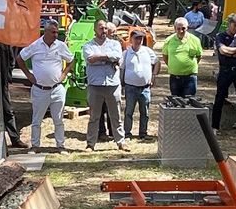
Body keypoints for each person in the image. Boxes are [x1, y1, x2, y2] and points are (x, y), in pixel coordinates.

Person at [18, 21, 73, 152]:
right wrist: (28, 75)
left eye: (57, 32)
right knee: (36, 120)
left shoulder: (60, 46)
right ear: (46, 32)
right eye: (53, 32)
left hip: (57, 88)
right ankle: (35, 145)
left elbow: (71, 60)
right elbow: (19, 58)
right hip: (39, 89)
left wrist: (64, 74)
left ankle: (60, 145)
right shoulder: (36, 45)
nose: (56, 35)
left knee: (58, 119)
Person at [82, 21, 126, 153]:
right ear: (95, 29)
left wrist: (100, 58)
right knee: (94, 116)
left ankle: (121, 142)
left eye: (106, 28)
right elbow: (90, 59)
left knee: (116, 115)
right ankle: (90, 144)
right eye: (101, 28)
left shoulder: (115, 44)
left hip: (112, 84)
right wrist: (109, 59)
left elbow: (117, 56)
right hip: (95, 85)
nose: (104, 30)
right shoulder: (88, 45)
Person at [120, 29, 158, 140]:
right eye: (136, 38)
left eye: (141, 38)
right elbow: (121, 69)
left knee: (145, 112)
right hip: (130, 87)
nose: (139, 40)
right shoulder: (126, 53)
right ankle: (127, 133)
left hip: (145, 88)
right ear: (131, 39)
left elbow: (157, 62)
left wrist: (154, 76)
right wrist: (121, 84)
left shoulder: (148, 51)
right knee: (129, 111)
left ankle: (143, 133)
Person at [161, 17, 203, 97]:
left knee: (189, 102)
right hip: (174, 78)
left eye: (183, 28)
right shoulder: (168, 40)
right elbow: (165, 56)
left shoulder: (195, 40)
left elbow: (199, 56)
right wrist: (173, 65)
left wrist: (189, 65)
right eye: (178, 28)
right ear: (174, 28)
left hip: (190, 77)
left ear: (187, 28)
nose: (181, 31)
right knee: (176, 102)